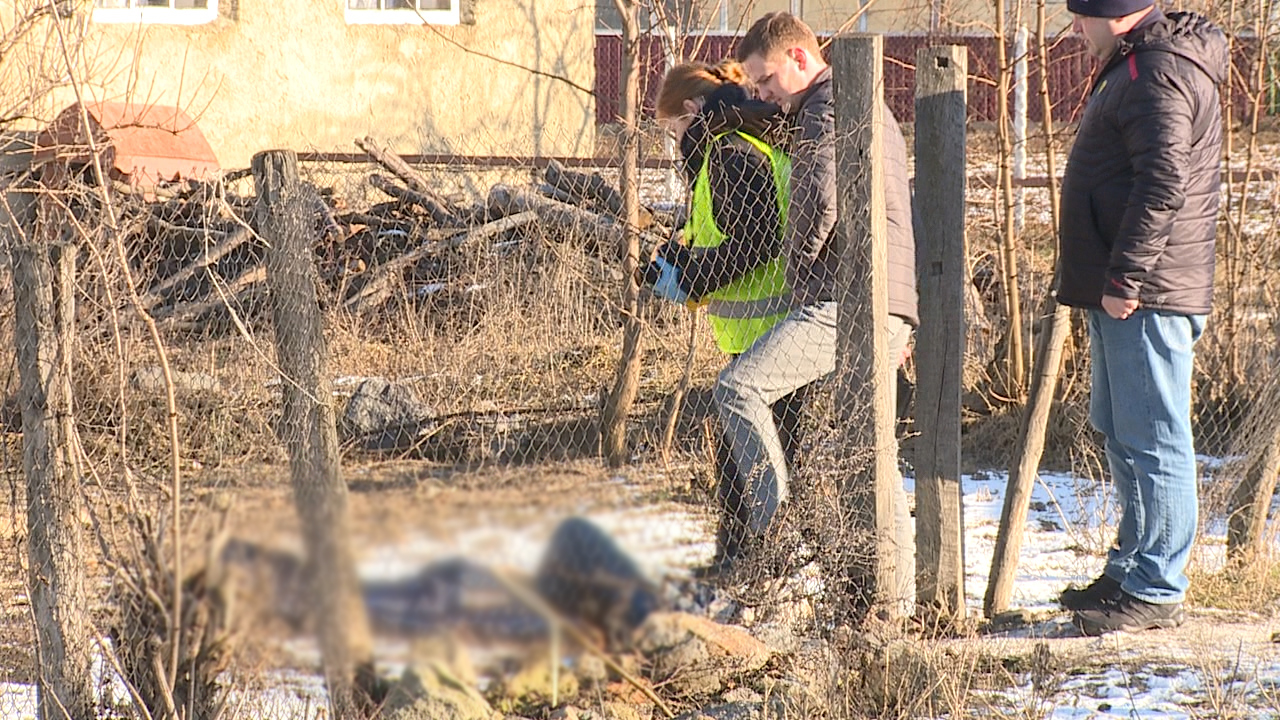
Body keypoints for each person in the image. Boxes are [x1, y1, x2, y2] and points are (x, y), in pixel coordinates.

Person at [732, 12, 919, 607]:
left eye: (763, 79)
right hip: (879, 301)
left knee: (739, 387)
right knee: (871, 450)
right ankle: (896, 599)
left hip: (850, 302)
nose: (760, 93)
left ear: (798, 58)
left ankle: (774, 530)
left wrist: (795, 279)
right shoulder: (856, 101)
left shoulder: (827, 106)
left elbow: (818, 201)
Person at [1054, 0, 1226, 636]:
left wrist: (1126, 275)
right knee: (1124, 433)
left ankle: (1156, 586)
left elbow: (1163, 181)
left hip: (1144, 293)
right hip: (1122, 291)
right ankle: (1129, 570)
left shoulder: (1154, 70)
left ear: (1118, 14)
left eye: (1081, 15)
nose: (1075, 27)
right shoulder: (1136, 63)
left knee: (1154, 437)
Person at [641, 60, 799, 577]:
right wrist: (683, 255)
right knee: (745, 461)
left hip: (768, 329)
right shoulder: (736, 144)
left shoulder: (729, 154)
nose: (673, 143)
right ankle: (740, 563)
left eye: (673, 131)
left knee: (749, 464)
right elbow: (735, 235)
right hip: (763, 329)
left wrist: (687, 277)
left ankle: (748, 567)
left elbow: (753, 245)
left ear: (691, 109)